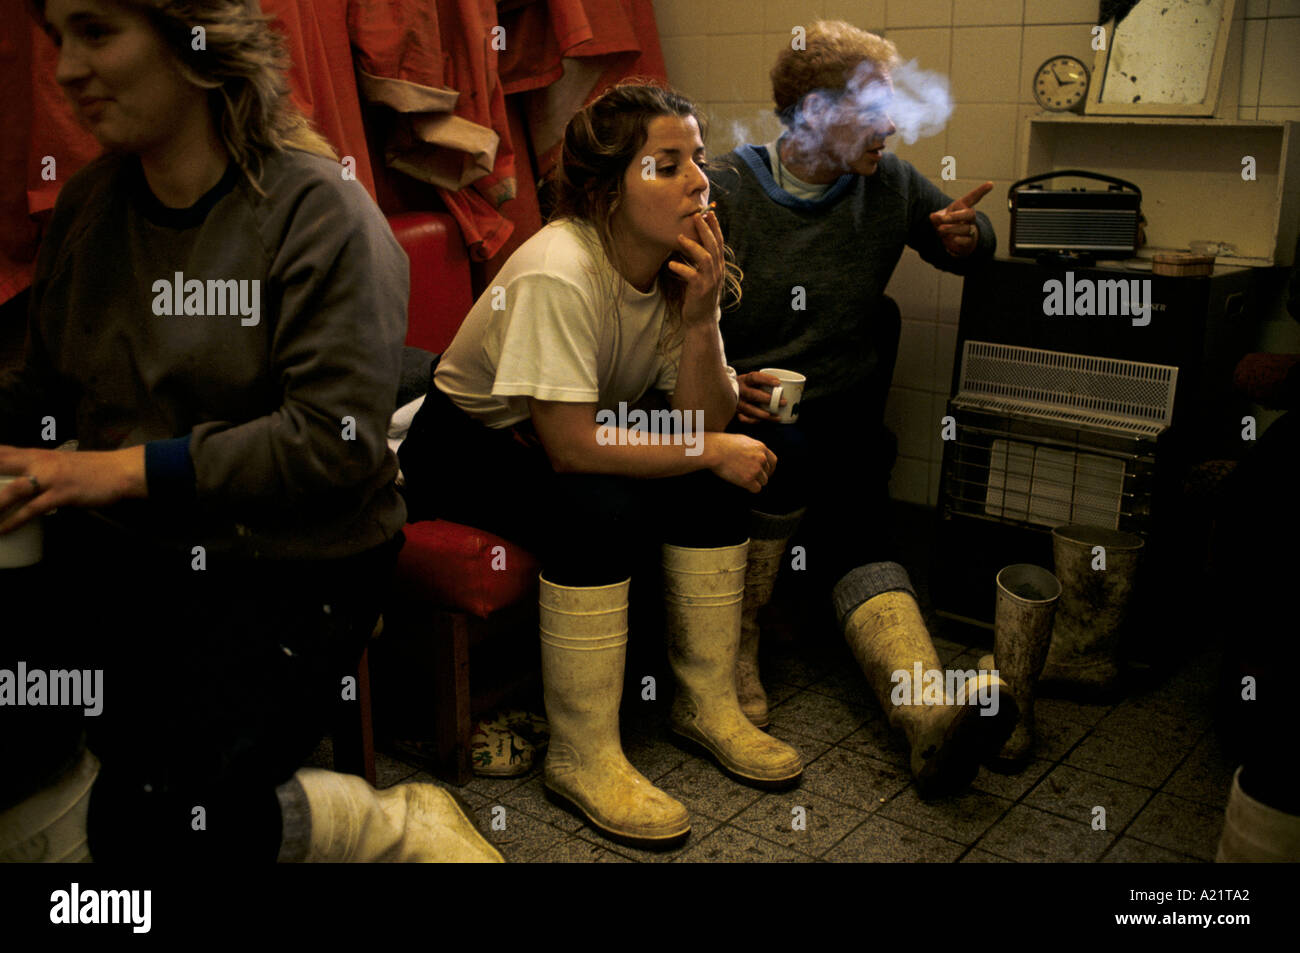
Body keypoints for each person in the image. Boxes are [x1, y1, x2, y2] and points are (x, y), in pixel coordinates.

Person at [0, 0, 499, 863]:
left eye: (96, 31)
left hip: (298, 564)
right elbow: (46, 391)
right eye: (56, 40)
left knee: (153, 814)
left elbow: (330, 443)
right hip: (128, 545)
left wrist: (113, 472)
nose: (67, 70)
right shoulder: (90, 208)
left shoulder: (320, 213)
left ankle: (374, 823)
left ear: (193, 45)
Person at [398, 82, 803, 848]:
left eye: (699, 161)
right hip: (465, 448)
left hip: (558, 432)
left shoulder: (667, 266)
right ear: (604, 192)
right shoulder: (559, 266)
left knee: (711, 487)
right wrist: (710, 447)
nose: (698, 182)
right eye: (666, 164)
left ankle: (706, 701)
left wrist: (704, 316)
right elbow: (571, 448)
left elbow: (698, 423)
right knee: (602, 509)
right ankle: (581, 754)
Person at [706, 20, 1014, 798]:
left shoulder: (892, 185)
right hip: (746, 423)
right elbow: (663, 317)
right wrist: (720, 380)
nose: (892, 124)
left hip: (842, 425)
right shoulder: (728, 189)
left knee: (863, 527)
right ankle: (735, 646)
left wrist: (968, 237)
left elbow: (966, 235)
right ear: (812, 112)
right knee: (796, 463)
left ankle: (928, 718)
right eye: (875, 106)